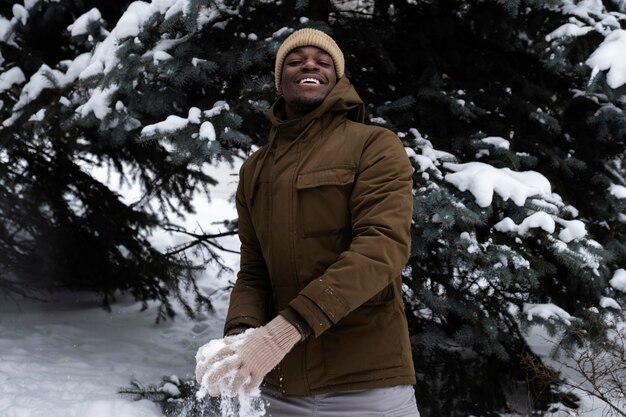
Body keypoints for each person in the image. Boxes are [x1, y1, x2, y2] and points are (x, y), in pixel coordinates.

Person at [195, 28, 419, 416]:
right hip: (277, 391)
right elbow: (253, 271)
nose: (310, 65)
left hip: (365, 384)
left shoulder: (374, 145)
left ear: (338, 78)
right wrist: (240, 339)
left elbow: (382, 248)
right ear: (281, 84)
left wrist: (283, 332)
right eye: (296, 61)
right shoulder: (255, 170)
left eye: (323, 61)